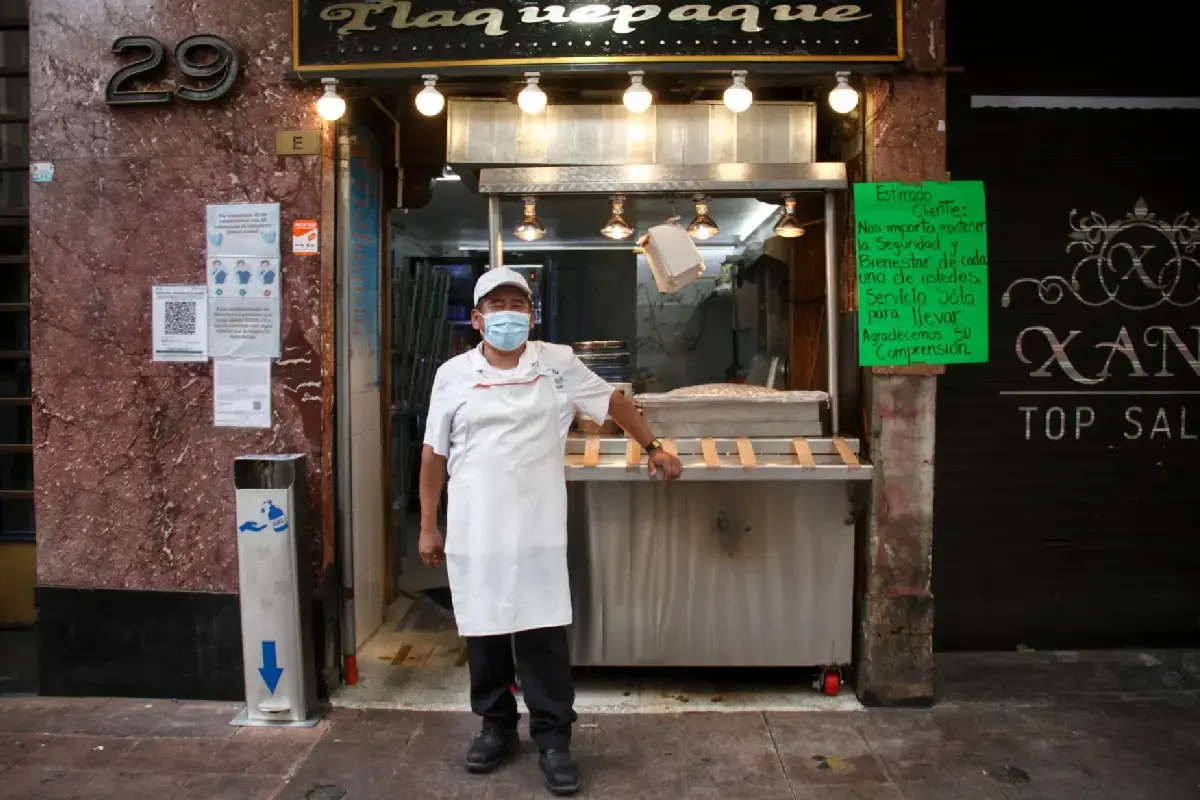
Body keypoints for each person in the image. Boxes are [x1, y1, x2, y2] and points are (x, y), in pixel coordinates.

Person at [419, 267, 683, 796]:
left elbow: (613, 402)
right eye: (496, 306)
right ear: (476, 319)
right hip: (476, 528)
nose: (508, 314)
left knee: (542, 635)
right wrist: (429, 524)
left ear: (533, 315)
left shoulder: (558, 363)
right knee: (486, 632)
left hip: (538, 526)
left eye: (518, 303)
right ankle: (495, 727)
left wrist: (655, 446)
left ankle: (554, 739)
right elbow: (433, 452)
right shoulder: (452, 374)